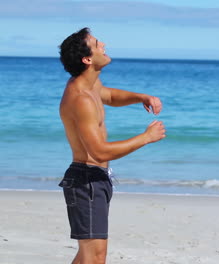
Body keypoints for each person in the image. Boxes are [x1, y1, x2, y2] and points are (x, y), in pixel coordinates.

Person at [58, 28, 166, 264]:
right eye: (97, 44)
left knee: (90, 256)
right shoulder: (80, 98)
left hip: (94, 178)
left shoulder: (90, 86)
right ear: (87, 59)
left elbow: (109, 95)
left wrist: (141, 97)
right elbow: (99, 151)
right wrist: (146, 137)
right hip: (85, 181)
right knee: (94, 258)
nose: (104, 45)